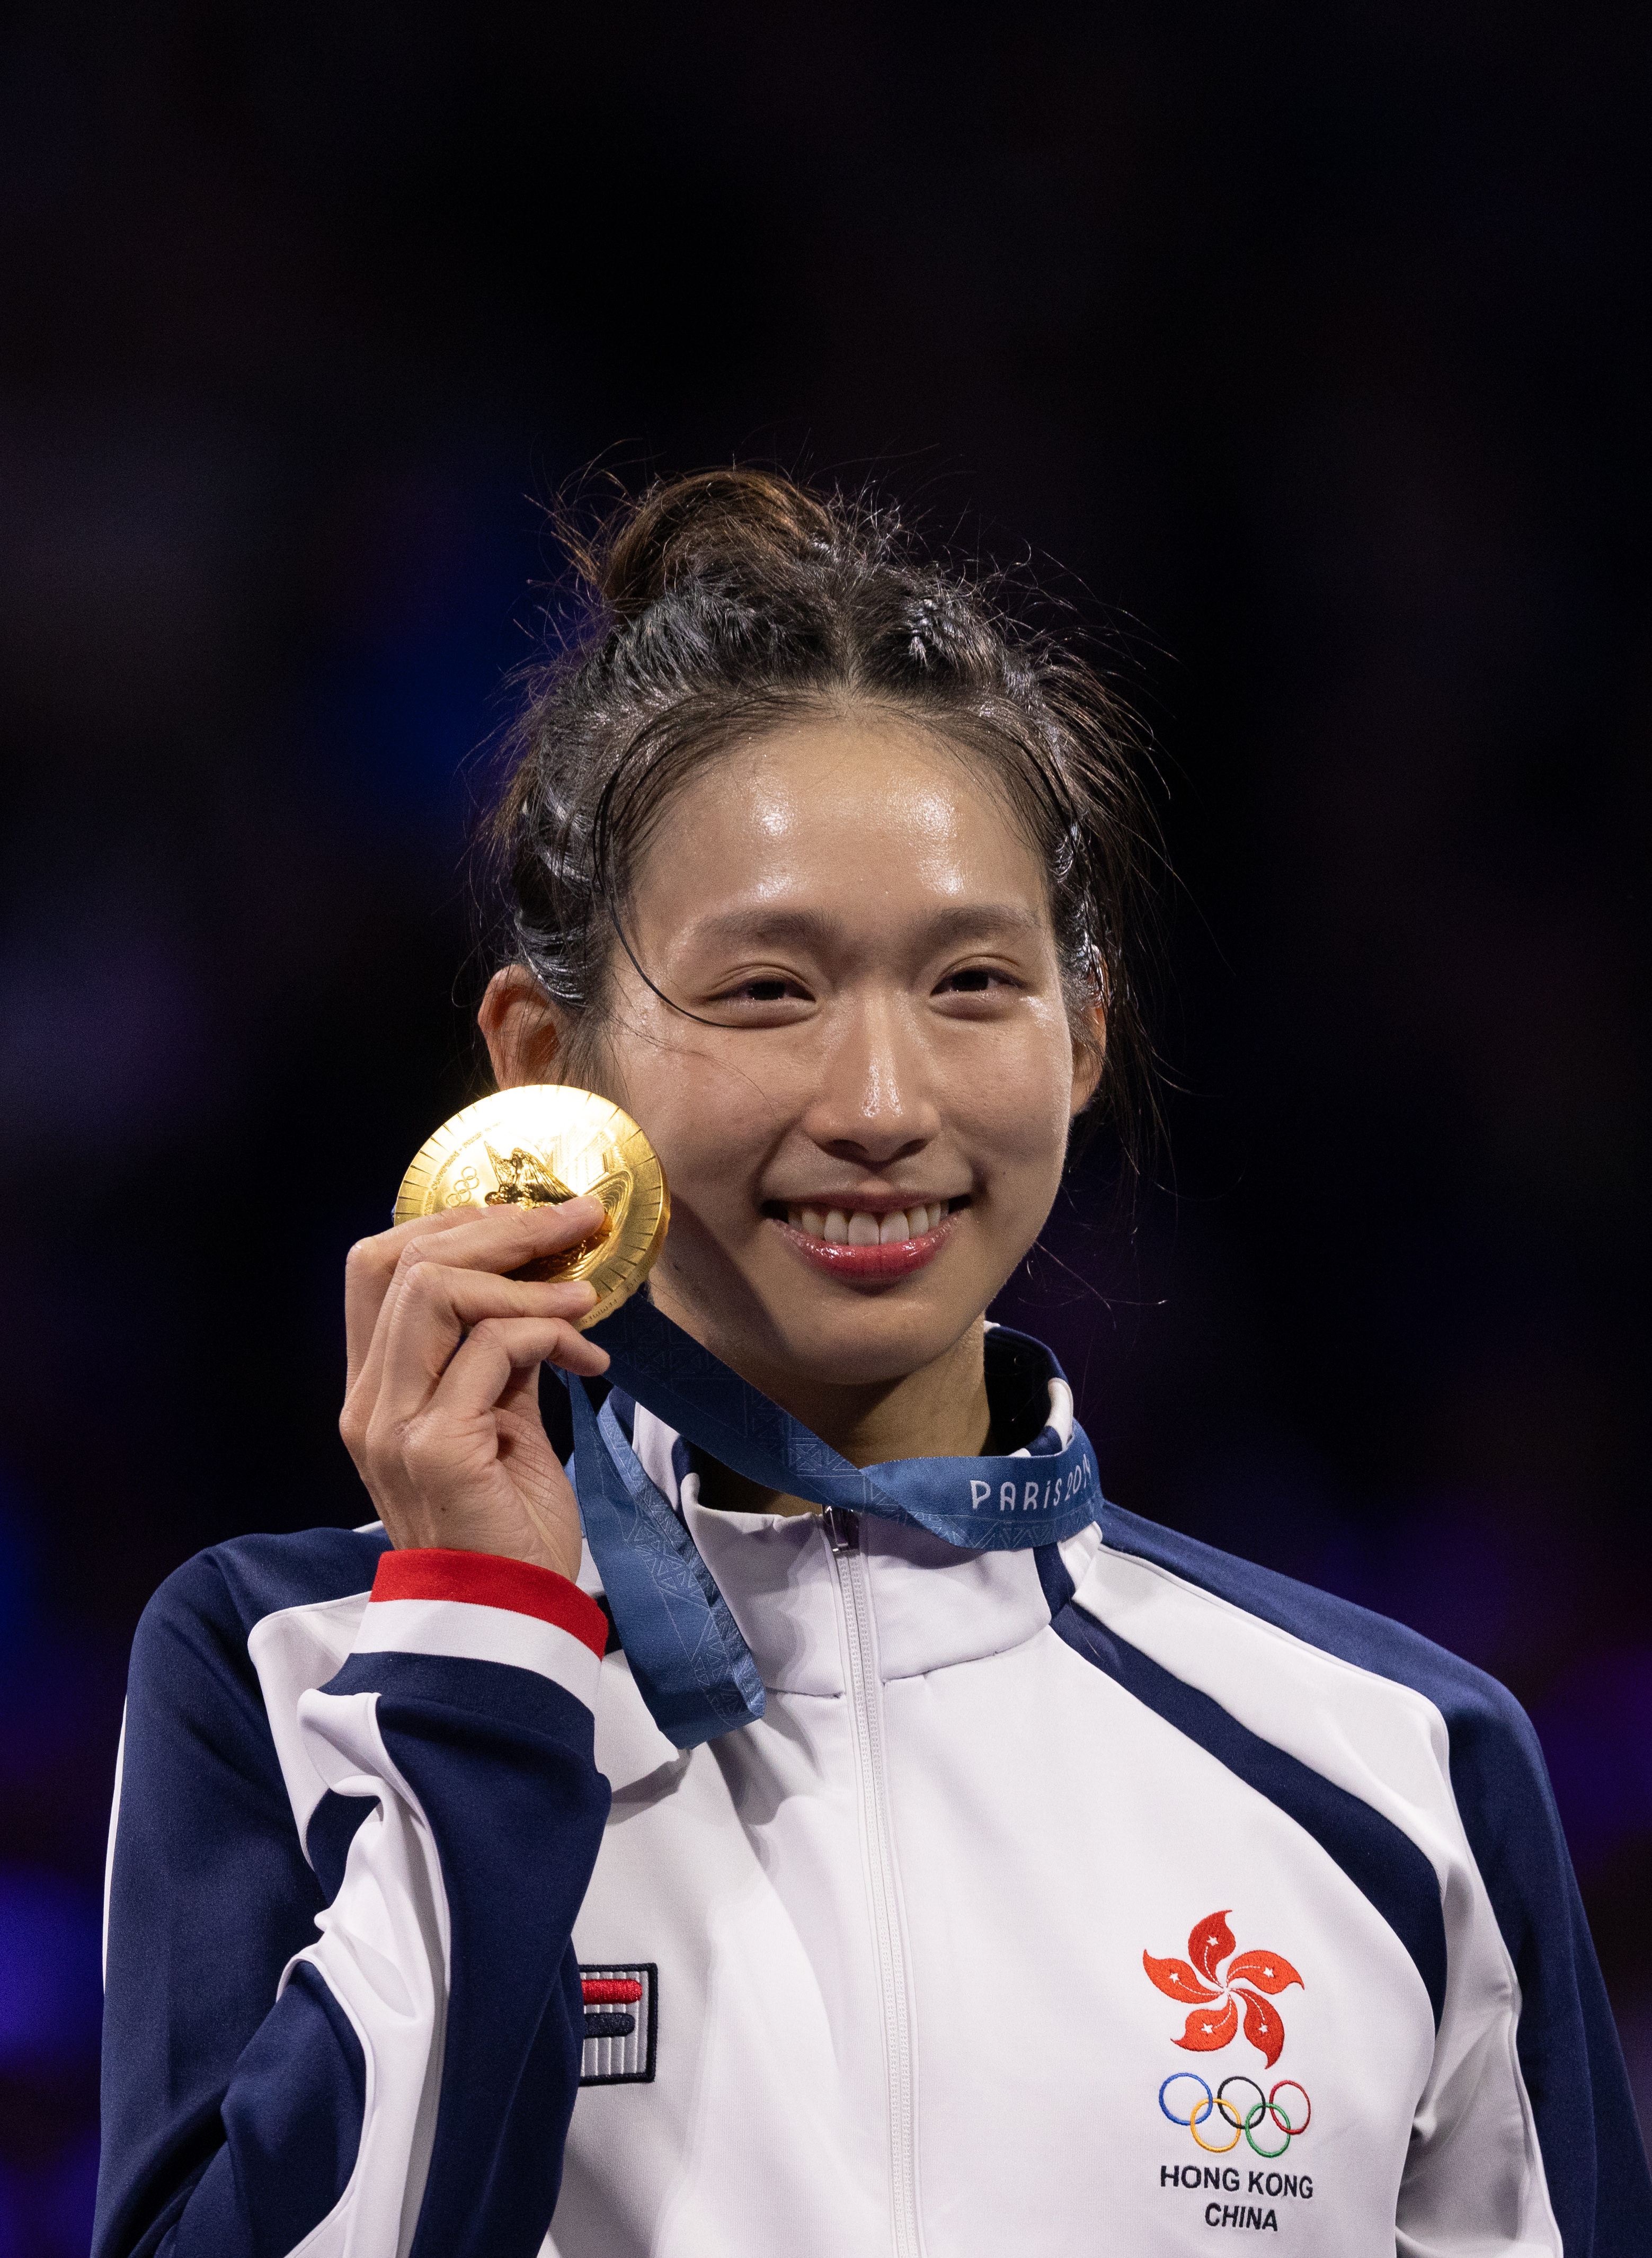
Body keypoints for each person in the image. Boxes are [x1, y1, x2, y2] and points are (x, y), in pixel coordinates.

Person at [94, 470, 1649, 2257]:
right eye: (767, 991)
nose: (883, 1106)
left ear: (1086, 1035)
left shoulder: (1401, 1768)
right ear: (548, 1057)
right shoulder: (292, 1677)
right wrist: (490, 1654)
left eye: (973, 983)